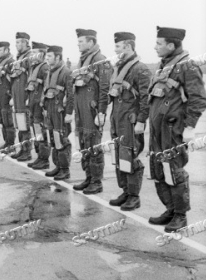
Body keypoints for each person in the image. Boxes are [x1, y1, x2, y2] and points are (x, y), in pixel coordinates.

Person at [148, 26, 206, 232]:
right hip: (158, 130)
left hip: (173, 129)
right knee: (159, 169)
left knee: (174, 170)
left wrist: (190, 126)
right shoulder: (163, 66)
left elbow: (198, 99)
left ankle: (181, 215)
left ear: (171, 45)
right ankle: (170, 209)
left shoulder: (187, 66)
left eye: (159, 43)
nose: (155, 47)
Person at [108, 32, 151, 211]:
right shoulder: (118, 68)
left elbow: (146, 98)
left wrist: (141, 120)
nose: (115, 49)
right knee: (119, 155)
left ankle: (134, 196)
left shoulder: (140, 69)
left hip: (130, 120)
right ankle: (125, 191)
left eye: (118, 46)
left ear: (127, 46)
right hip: (117, 118)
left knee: (129, 155)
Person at [72, 29, 112, 194]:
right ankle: (88, 178)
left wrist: (101, 112)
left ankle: (96, 182)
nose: (78, 44)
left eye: (81, 41)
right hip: (81, 110)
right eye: (78, 41)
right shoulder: (83, 60)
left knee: (94, 145)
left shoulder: (100, 60)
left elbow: (105, 88)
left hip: (93, 110)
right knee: (84, 143)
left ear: (91, 42)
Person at [40, 45, 74, 180]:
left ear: (58, 57)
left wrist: (69, 113)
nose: (47, 58)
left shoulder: (66, 72)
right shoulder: (50, 71)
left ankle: (65, 169)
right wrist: (44, 106)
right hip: (50, 110)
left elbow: (71, 95)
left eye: (49, 56)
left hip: (60, 111)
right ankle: (58, 166)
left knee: (62, 139)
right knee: (53, 138)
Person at [26, 42, 51, 169]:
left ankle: (44, 159)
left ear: (41, 54)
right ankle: (39, 156)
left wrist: (43, 103)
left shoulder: (44, 67)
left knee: (40, 130)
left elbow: (47, 86)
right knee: (35, 130)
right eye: (32, 52)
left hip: (39, 104)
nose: (32, 55)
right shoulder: (33, 66)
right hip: (32, 103)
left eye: (35, 52)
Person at [9, 32, 32, 161]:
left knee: (25, 124)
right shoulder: (19, 57)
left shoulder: (29, 57)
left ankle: (27, 151)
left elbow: (31, 77)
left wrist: (29, 96)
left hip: (24, 96)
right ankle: (22, 149)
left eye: (18, 42)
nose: (16, 45)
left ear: (25, 42)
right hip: (17, 97)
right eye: (16, 42)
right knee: (19, 123)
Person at [0, 41, 15, 152]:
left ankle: (10, 145)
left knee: (8, 121)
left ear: (7, 50)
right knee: (2, 120)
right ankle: (6, 142)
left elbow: (14, 81)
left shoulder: (11, 62)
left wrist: (12, 96)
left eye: (0, 50)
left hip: (6, 95)